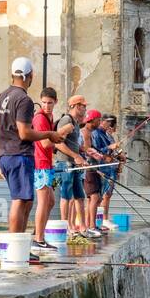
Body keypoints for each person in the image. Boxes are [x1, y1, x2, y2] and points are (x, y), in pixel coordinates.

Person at [0, 58, 66, 264]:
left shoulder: (2, 97)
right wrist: (49, 134)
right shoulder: (23, 100)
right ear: (30, 76)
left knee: (25, 199)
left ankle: (20, 247)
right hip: (19, 154)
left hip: (5, 154)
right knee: (21, 199)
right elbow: (24, 133)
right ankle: (15, 249)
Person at [30, 86, 71, 259]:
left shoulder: (50, 116)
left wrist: (58, 137)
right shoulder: (40, 118)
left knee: (50, 201)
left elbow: (50, 142)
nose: (46, 106)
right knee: (43, 201)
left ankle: (39, 235)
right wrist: (62, 132)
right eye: (44, 103)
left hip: (47, 164)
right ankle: (38, 239)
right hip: (40, 164)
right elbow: (46, 143)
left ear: (55, 103)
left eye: (50, 103)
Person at [54, 95, 92, 243]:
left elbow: (72, 143)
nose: (85, 109)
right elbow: (57, 143)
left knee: (80, 196)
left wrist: (85, 151)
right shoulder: (66, 121)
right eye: (84, 106)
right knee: (66, 196)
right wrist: (76, 156)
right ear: (76, 106)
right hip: (65, 164)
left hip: (74, 164)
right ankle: (66, 227)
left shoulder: (75, 123)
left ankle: (82, 228)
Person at [81, 110, 106, 239]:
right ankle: (91, 226)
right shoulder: (85, 133)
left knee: (94, 198)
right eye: (98, 120)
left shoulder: (89, 133)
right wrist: (98, 159)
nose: (99, 122)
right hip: (90, 169)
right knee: (94, 197)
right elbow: (86, 151)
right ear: (92, 120)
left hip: (94, 168)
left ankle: (92, 225)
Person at [96, 115, 122, 230]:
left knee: (108, 194)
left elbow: (113, 152)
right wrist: (110, 147)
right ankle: (103, 219)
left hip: (112, 168)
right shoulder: (99, 134)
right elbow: (99, 151)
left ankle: (102, 219)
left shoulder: (109, 136)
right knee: (104, 195)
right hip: (104, 169)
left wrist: (120, 158)